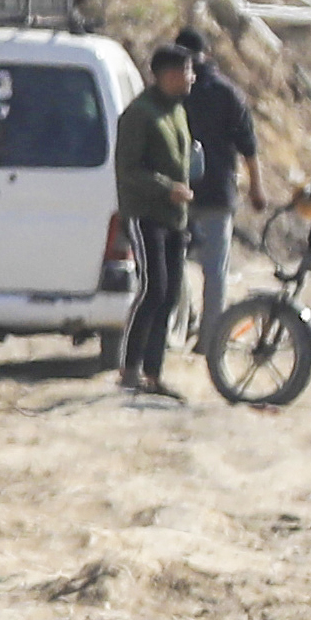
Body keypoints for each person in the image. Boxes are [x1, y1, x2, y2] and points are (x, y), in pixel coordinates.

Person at [112, 46, 196, 397]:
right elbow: (127, 171)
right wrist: (165, 188)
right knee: (153, 288)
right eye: (186, 71)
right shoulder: (139, 114)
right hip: (146, 214)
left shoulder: (176, 111)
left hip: (175, 217)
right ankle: (129, 367)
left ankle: (153, 373)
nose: (191, 78)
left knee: (171, 293)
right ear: (166, 74)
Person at [176, 25, 264, 342]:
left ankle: (182, 327)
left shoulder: (175, 90)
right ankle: (210, 337)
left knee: (175, 264)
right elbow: (248, 145)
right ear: (208, 55)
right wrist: (256, 187)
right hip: (216, 193)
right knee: (214, 271)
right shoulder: (227, 93)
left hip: (180, 194)